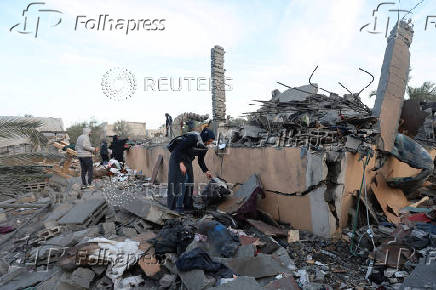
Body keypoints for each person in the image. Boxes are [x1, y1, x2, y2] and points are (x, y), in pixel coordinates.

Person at [167, 127, 215, 213]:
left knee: (190, 181)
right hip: (177, 159)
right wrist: (181, 163)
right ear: (205, 137)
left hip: (187, 161)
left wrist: (206, 171)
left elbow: (201, 161)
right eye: (209, 140)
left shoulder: (204, 147)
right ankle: (178, 207)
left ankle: (187, 205)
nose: (209, 143)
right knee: (182, 181)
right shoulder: (193, 138)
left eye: (211, 142)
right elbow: (178, 149)